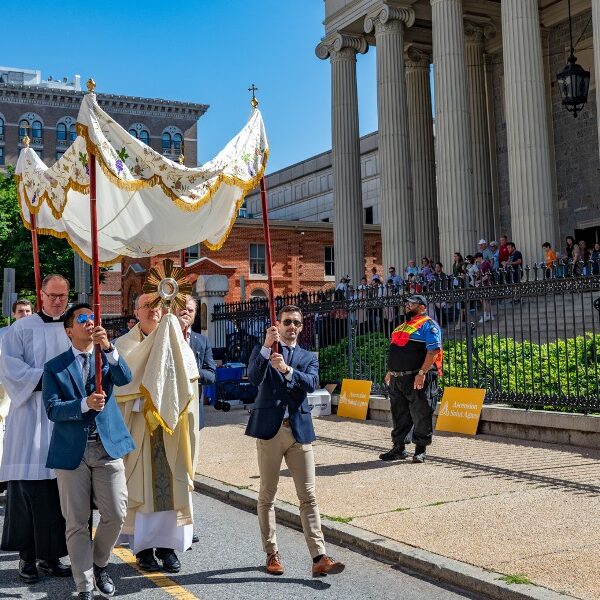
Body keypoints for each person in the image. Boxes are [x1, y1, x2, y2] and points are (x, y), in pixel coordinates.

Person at [43, 304, 135, 600]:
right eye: (82, 319)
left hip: (107, 448)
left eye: (92, 318)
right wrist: (84, 404)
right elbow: (52, 409)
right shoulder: (54, 367)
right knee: (77, 521)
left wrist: (108, 347)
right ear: (69, 330)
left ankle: (99, 564)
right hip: (72, 453)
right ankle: (84, 585)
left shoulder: (105, 358)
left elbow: (125, 378)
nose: (89, 322)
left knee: (116, 514)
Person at [246, 305, 345, 577]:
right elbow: (253, 378)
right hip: (270, 431)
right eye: (287, 322)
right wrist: (267, 350)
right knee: (268, 495)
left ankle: (319, 557)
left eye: (297, 323)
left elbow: (311, 382)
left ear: (302, 327)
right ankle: (272, 553)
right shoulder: (263, 351)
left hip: (299, 431)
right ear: (278, 324)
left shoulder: (307, 356)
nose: (292, 327)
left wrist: (288, 370)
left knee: (309, 496)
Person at [115, 293, 199, 573]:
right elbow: (119, 390)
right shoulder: (124, 345)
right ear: (136, 312)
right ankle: (144, 550)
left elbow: (189, 385)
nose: (154, 311)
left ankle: (168, 548)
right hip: (139, 426)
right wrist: (142, 401)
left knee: (170, 488)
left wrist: (171, 407)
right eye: (147, 306)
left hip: (171, 429)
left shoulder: (177, 342)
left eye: (159, 306)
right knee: (141, 487)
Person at [0, 275, 72, 583]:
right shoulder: (19, 329)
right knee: (28, 491)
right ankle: (27, 558)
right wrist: (48, 380)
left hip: (61, 419)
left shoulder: (73, 328)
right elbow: (9, 367)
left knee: (59, 492)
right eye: (52, 295)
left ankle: (52, 557)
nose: (57, 301)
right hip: (29, 418)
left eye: (63, 296)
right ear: (40, 295)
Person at [380, 295, 442, 464]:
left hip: (417, 376)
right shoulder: (402, 327)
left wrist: (422, 373)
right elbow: (396, 352)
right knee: (399, 414)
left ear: (422, 307)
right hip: (397, 378)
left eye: (411, 303)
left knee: (421, 412)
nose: (407, 306)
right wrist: (390, 371)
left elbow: (433, 351)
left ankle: (420, 450)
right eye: (406, 304)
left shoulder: (428, 325)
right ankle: (398, 448)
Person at [0, 299, 34, 494]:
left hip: (30, 386)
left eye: (28, 311)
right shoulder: (4, 334)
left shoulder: (38, 332)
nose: (25, 314)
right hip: (6, 388)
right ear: (14, 314)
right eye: (21, 311)